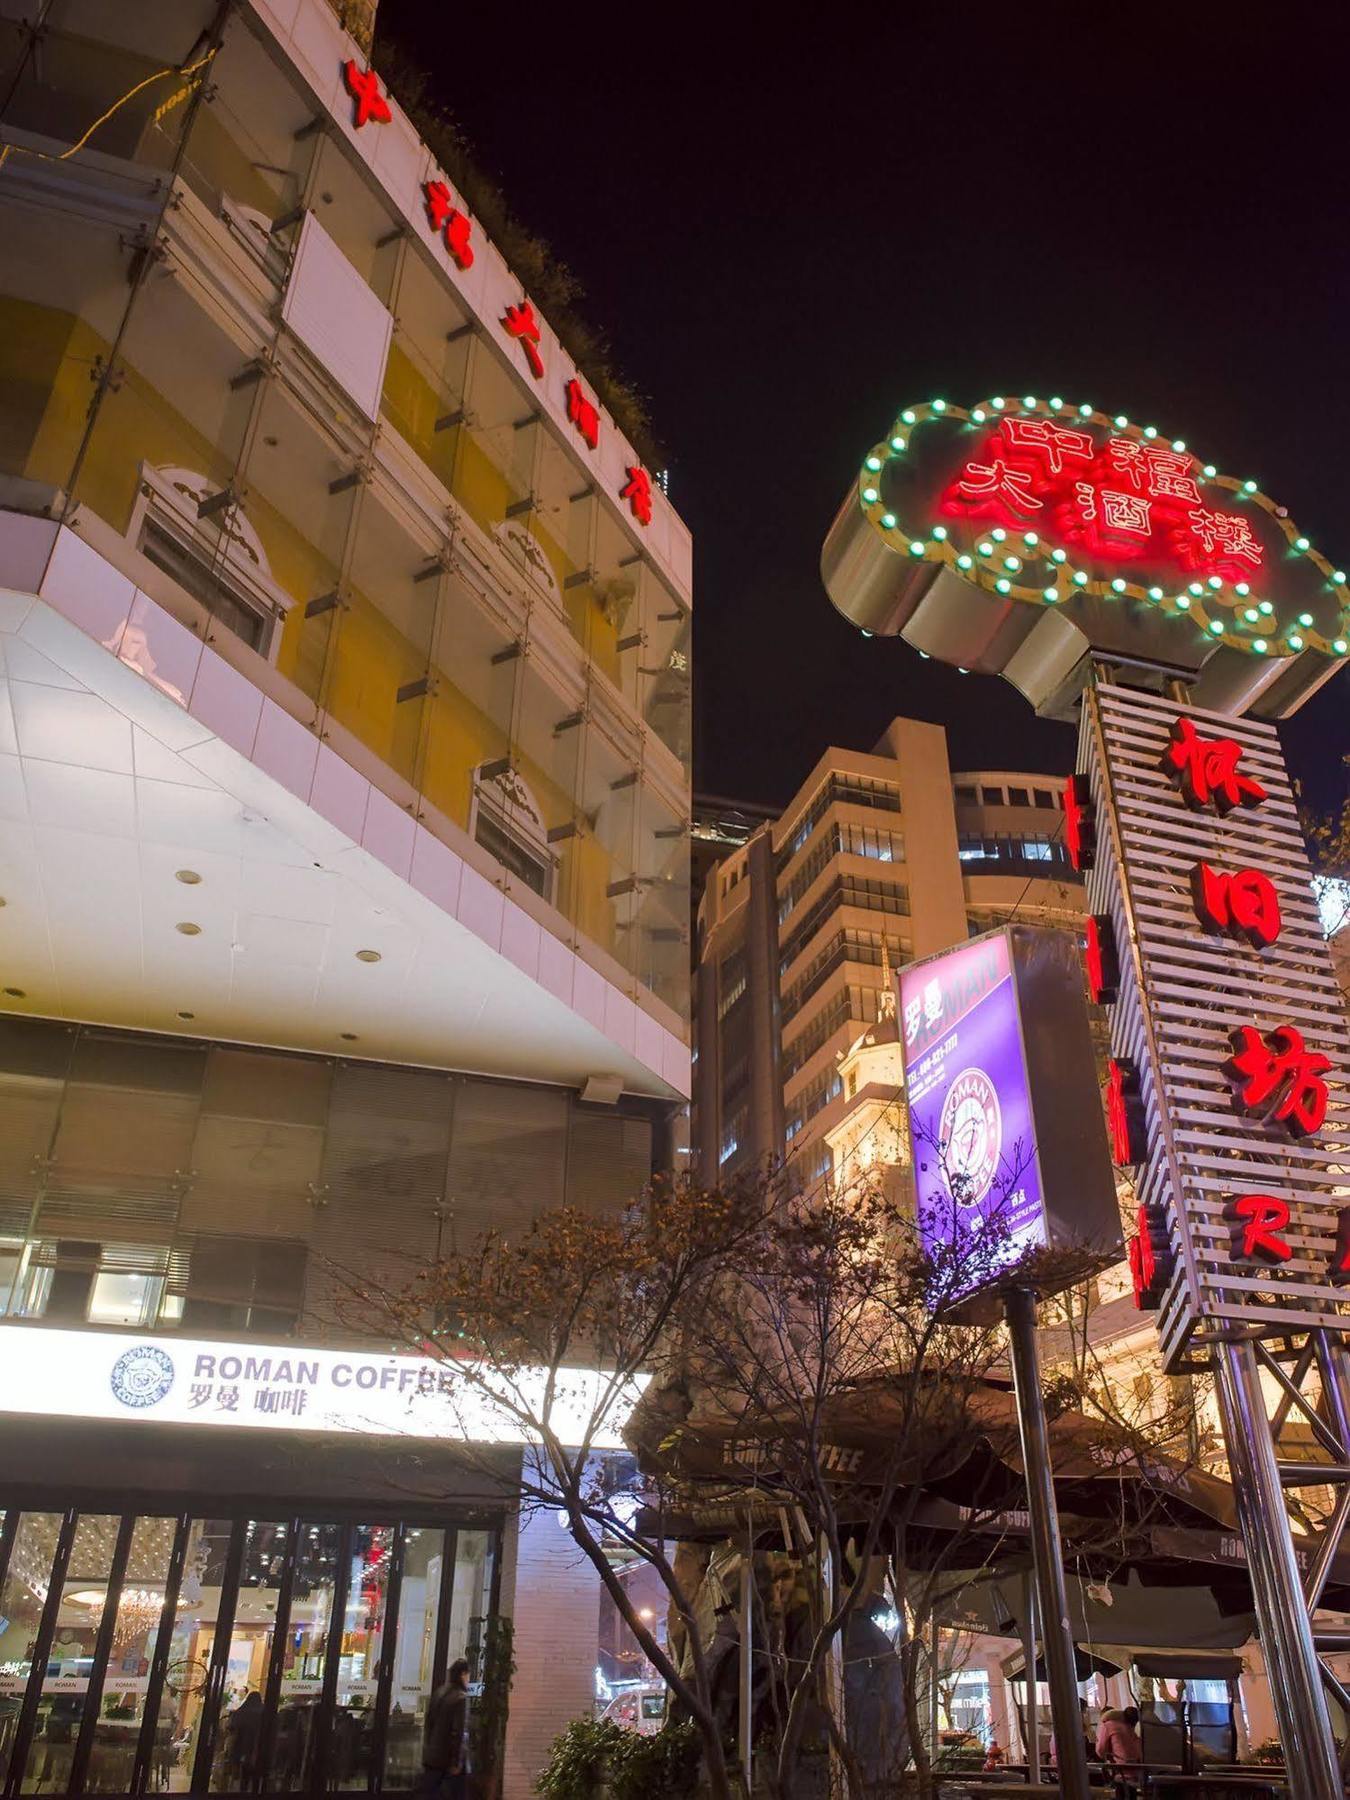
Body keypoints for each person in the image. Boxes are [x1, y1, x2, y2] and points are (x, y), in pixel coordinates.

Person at [419, 1659, 470, 1798]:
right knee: (457, 1794)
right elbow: (459, 1732)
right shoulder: (461, 1697)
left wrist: (428, 1748)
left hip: (433, 1756)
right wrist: (457, 1762)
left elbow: (429, 1723)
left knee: (431, 1793)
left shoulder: (439, 1692)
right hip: (448, 1758)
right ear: (462, 1674)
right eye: (467, 1675)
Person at [223, 1691, 263, 1785]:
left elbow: (231, 1727)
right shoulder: (264, 1711)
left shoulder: (241, 1711)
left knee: (243, 1775)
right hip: (259, 1748)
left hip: (241, 1746)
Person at [1096, 1705, 1142, 1773]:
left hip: (1123, 1771)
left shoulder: (1107, 1725)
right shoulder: (1127, 1725)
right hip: (1140, 1769)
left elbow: (1101, 1751)